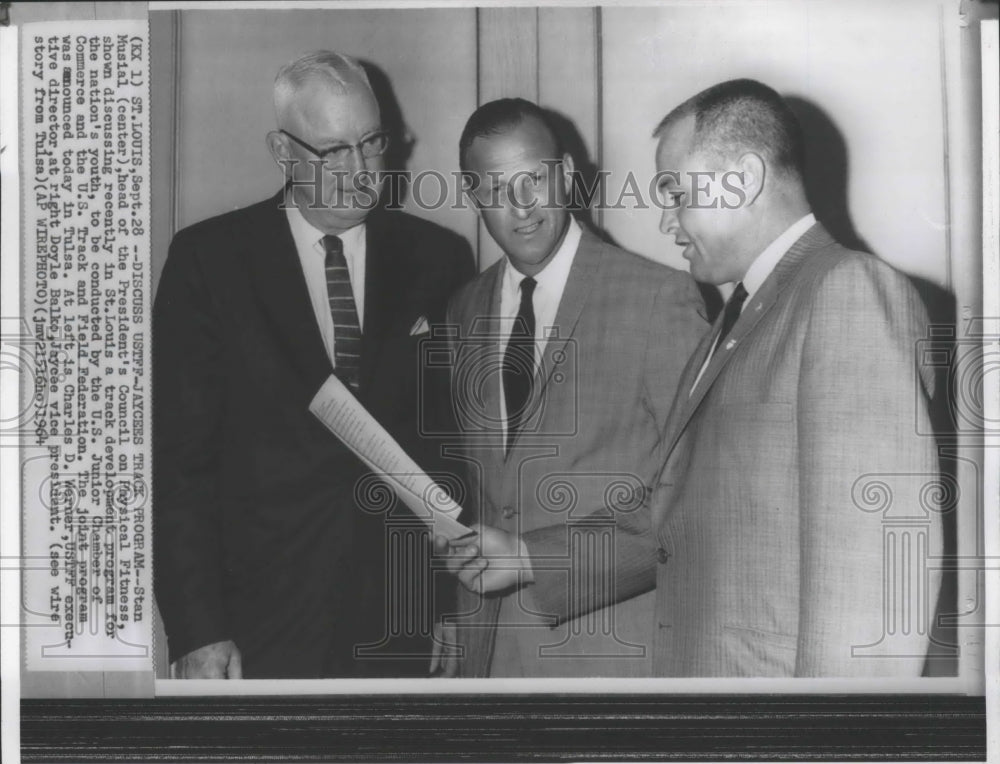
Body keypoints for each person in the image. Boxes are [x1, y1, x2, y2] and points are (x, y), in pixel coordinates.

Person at [446, 79, 944, 677]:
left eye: (677, 193)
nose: (665, 221)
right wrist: (530, 557)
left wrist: (826, 748)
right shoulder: (742, 316)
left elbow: (875, 595)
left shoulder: (846, 292)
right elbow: (669, 515)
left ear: (745, 179)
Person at [153, 51, 474, 678]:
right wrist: (198, 629)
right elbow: (179, 464)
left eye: (372, 142)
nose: (360, 170)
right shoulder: (209, 261)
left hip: (398, 616)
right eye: (333, 151)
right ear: (282, 150)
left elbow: (449, 446)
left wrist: (448, 604)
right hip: (254, 622)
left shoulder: (438, 258)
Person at [437, 98, 707, 678]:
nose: (521, 207)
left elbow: (694, 509)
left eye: (534, 179)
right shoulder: (462, 309)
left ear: (564, 174)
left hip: (610, 661)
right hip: (485, 665)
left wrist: (534, 557)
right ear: (472, 196)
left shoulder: (660, 299)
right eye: (495, 188)